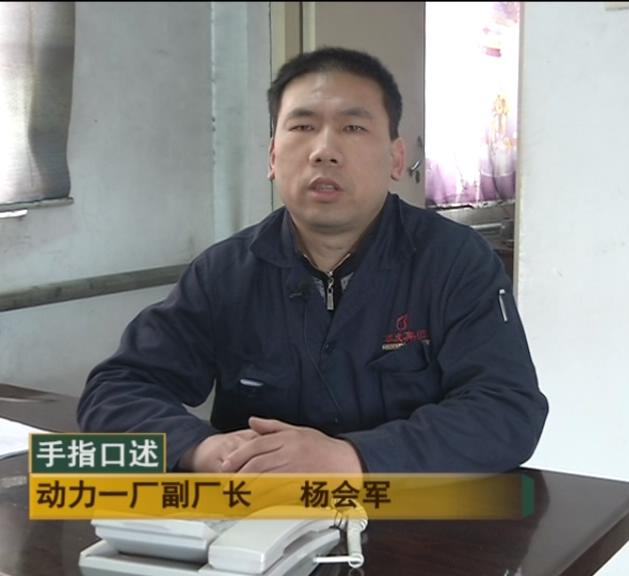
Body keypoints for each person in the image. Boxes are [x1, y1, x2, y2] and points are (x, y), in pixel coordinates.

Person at [77, 46, 548, 474]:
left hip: (410, 520)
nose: (324, 151)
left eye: (353, 128)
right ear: (272, 157)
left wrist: (352, 457)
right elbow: (116, 389)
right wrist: (200, 449)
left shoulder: (455, 261)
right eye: (302, 127)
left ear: (395, 158)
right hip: (259, 522)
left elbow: (507, 411)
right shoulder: (225, 272)